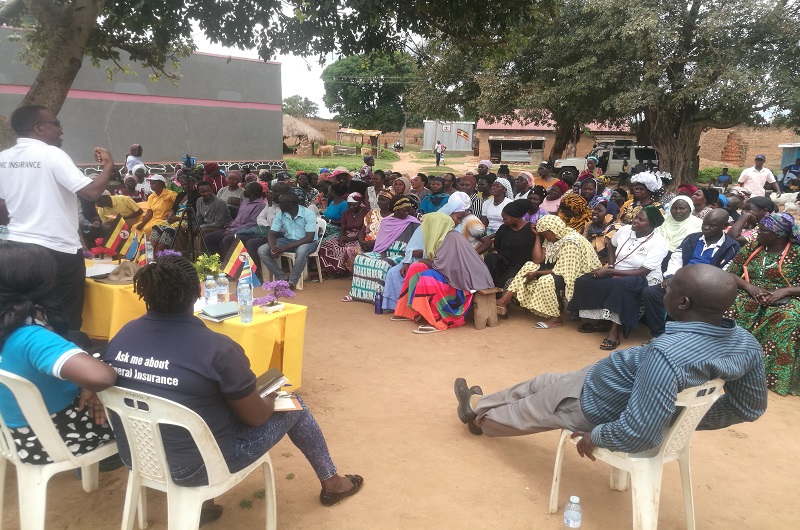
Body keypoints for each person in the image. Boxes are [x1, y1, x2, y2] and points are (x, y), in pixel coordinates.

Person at [104, 255, 363, 514]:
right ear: (198, 293)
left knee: (196, 402)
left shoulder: (122, 336)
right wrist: (272, 396)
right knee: (294, 404)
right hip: (201, 466)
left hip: (139, 457)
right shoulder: (218, 349)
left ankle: (202, 507)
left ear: (144, 293)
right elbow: (255, 417)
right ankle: (333, 483)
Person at [454, 264, 768, 453]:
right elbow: (750, 407)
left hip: (592, 403)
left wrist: (603, 434)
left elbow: (640, 432)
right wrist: (676, 416)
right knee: (541, 382)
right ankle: (480, 404)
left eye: (667, 289)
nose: (662, 291)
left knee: (528, 410)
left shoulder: (666, 355)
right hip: (599, 382)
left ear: (682, 303)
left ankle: (481, 421)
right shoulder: (747, 343)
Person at [0, 105, 115, 333]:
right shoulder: (51, 154)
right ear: (39, 128)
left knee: (18, 316)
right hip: (56, 251)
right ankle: (66, 363)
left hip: (16, 250)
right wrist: (109, 165)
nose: (61, 129)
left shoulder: (3, 158)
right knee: (65, 319)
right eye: (56, 123)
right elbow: (91, 192)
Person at [0, 242, 117, 464]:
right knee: (114, 362)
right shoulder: (31, 338)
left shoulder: (10, 326)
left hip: (12, 434)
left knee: (81, 341)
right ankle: (107, 458)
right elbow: (102, 377)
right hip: (50, 438)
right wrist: (90, 387)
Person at [569, 207, 668, 350]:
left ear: (651, 224)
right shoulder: (626, 230)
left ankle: (614, 332)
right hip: (617, 271)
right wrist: (610, 265)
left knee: (622, 287)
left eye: (641, 219)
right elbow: (611, 244)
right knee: (585, 280)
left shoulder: (659, 243)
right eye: (636, 217)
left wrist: (610, 271)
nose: (635, 220)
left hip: (643, 278)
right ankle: (601, 322)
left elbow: (643, 271)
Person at [725, 212, 800, 395]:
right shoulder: (752, 247)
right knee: (730, 308)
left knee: (788, 318)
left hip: (787, 297)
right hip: (750, 292)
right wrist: (750, 288)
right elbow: (731, 273)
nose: (757, 232)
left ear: (778, 234)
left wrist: (785, 291)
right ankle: (724, 364)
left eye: (763, 230)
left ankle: (767, 374)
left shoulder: (797, 253)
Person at [644, 209, 740, 338]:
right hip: (680, 280)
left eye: (712, 225)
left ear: (724, 226)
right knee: (651, 293)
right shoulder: (692, 238)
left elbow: (725, 271)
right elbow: (676, 258)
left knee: (691, 304)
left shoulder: (731, 246)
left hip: (706, 286)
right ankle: (659, 334)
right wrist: (671, 277)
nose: (706, 227)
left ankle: (685, 337)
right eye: (704, 223)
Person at [393, 212, 494, 333]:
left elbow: (443, 267)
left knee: (428, 277)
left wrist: (424, 260)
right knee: (416, 268)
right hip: (455, 277)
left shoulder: (451, 239)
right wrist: (423, 261)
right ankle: (411, 311)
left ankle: (437, 319)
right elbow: (442, 265)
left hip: (465, 285)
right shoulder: (441, 237)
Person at [496, 215, 601, 328]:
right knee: (529, 265)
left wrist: (537, 273)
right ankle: (504, 300)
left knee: (546, 281)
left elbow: (564, 271)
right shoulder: (554, 238)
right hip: (562, 270)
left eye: (545, 234)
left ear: (553, 229)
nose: (544, 237)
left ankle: (555, 319)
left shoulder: (571, 242)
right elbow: (537, 260)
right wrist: (537, 236)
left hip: (578, 273)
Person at [345, 194, 421, 302]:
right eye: (404, 211)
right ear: (396, 210)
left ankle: (379, 297)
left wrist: (397, 257)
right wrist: (383, 254)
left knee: (384, 264)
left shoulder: (414, 223)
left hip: (402, 254)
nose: (407, 213)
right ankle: (357, 294)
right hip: (383, 251)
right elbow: (381, 242)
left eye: (408, 210)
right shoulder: (386, 222)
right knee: (360, 258)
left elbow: (415, 244)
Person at [256, 192, 318, 289]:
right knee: (262, 250)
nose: (278, 204)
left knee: (301, 251)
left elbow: (309, 238)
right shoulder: (280, 214)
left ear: (290, 204)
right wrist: (273, 248)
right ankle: (282, 278)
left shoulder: (308, 213)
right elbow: (272, 234)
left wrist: (284, 247)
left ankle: (292, 282)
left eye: (280, 202)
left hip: (307, 242)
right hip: (288, 240)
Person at [483, 200, 538, 288]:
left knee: (509, 278)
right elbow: (497, 246)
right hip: (504, 264)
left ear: (515, 218)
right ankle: (484, 285)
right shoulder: (503, 229)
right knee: (490, 257)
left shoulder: (531, 230)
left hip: (521, 266)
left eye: (505, 218)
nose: (503, 221)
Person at [208, 182, 266, 257]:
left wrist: (233, 231)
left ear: (251, 192)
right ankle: (218, 263)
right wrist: (230, 225)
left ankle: (234, 266)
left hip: (248, 233)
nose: (244, 190)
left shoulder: (260, 206)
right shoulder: (245, 201)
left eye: (246, 189)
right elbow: (238, 218)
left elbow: (251, 225)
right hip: (234, 228)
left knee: (228, 239)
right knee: (209, 238)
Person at [318, 192, 368, 276]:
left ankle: (343, 270)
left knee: (346, 249)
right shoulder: (347, 213)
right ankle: (332, 270)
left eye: (354, 205)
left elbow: (365, 230)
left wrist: (350, 239)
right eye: (349, 205)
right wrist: (341, 237)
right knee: (325, 244)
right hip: (346, 234)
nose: (351, 207)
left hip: (360, 236)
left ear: (360, 203)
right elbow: (343, 226)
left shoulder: (366, 212)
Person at [657, 196, 702, 268]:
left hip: (682, 262)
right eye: (674, 208)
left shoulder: (698, 225)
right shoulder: (662, 220)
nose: (678, 211)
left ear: (690, 209)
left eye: (682, 208)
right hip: (656, 257)